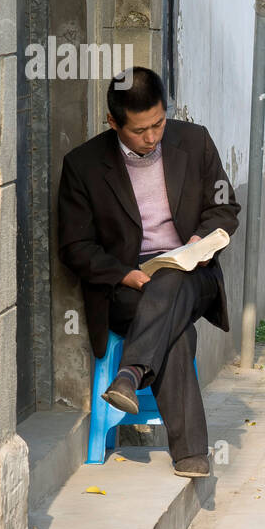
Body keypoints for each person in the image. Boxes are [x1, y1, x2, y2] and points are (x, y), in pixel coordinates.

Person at [57, 67, 240, 479]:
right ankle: (191, 454)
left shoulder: (194, 141)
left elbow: (225, 208)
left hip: (195, 275)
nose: (153, 137)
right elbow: (74, 247)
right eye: (140, 130)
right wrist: (124, 274)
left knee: (173, 277)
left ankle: (131, 372)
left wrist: (199, 240)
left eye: (159, 123)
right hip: (127, 287)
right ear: (113, 122)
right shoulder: (84, 165)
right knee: (173, 328)